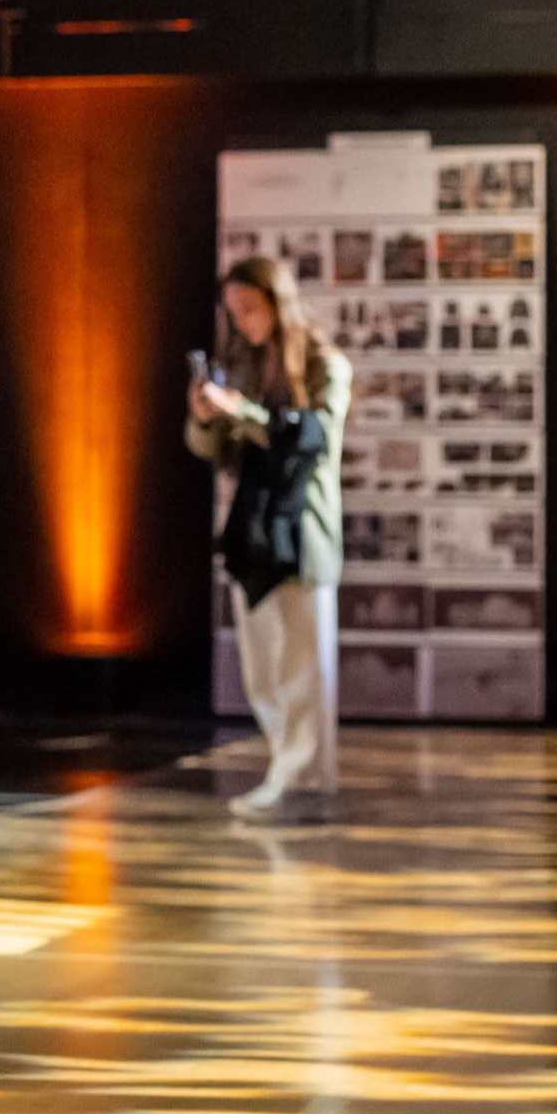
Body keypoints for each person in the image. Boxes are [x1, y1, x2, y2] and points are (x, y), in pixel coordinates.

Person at [187, 253, 351, 825]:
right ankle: (289, 769)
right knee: (262, 667)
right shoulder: (241, 363)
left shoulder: (325, 364)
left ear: (277, 303)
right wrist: (207, 416)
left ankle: (302, 777)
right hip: (251, 533)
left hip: (302, 530)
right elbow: (212, 452)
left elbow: (316, 440)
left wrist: (246, 411)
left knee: (305, 666)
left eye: (251, 309)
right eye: (235, 313)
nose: (244, 322)